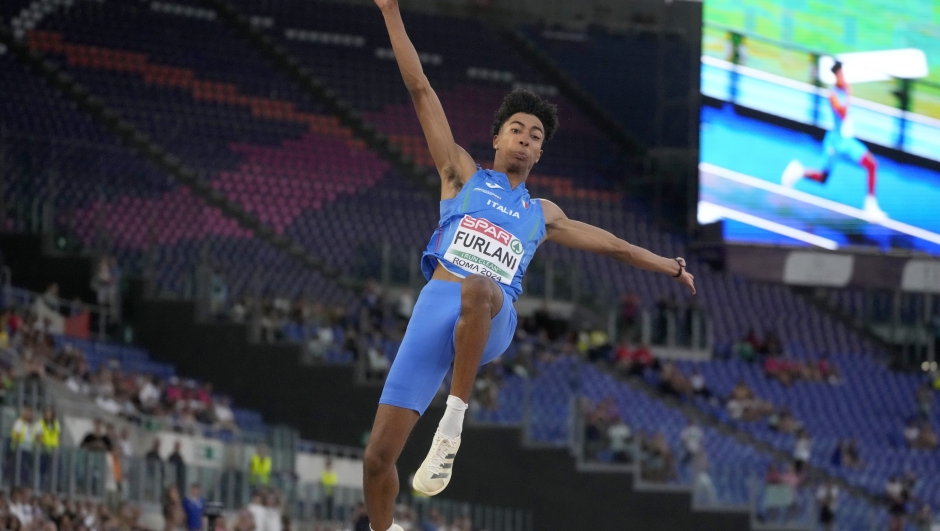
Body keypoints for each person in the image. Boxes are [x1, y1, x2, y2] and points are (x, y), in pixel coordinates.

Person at [363, 2, 696, 530]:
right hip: (436, 308)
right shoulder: (460, 175)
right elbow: (421, 89)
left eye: (535, 136)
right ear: (497, 139)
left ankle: (451, 426)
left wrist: (670, 266)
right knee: (377, 459)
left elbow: (614, 246)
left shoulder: (543, 213)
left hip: (491, 314)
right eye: (516, 129)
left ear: (540, 154)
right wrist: (389, 11)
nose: (525, 138)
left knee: (479, 286)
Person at [782, 61, 886, 221]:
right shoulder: (834, 95)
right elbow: (842, 113)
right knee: (824, 178)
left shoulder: (843, 90)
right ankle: (799, 171)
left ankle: (870, 205)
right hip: (836, 143)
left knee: (871, 165)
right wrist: (849, 96)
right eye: (841, 75)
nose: (843, 78)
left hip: (846, 141)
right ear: (835, 76)